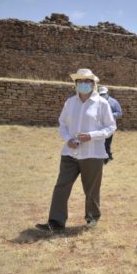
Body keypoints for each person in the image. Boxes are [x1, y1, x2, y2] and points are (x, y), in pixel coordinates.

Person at [36, 68, 116, 232]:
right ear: (76, 83)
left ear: (93, 84)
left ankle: (92, 217)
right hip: (69, 153)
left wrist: (91, 136)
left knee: (91, 189)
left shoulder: (102, 104)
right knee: (61, 186)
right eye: (80, 81)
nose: (83, 84)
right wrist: (68, 139)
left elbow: (111, 127)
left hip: (92, 154)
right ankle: (56, 222)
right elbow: (62, 124)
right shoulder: (70, 102)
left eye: (87, 81)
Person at [98, 86, 123, 164]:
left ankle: (106, 158)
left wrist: (110, 115)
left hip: (109, 126)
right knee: (100, 143)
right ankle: (107, 156)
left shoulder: (114, 102)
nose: (102, 96)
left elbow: (119, 113)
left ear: (107, 93)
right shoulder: (96, 101)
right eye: (101, 94)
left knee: (107, 143)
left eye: (104, 94)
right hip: (99, 126)